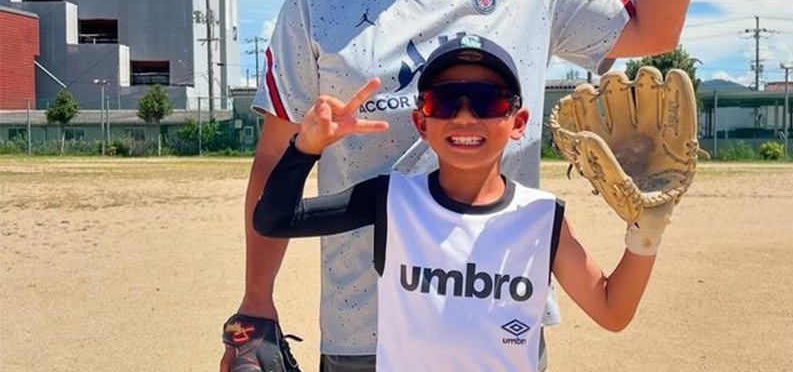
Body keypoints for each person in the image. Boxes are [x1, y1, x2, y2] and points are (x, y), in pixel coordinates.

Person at [222, 0, 718, 372]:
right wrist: (257, 304)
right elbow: (274, 158)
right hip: (364, 327)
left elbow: (653, 30)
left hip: (495, 327)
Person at [252, 35, 670, 372]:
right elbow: (273, 220)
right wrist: (304, 148)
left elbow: (613, 311)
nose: (465, 117)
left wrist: (647, 231)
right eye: (446, 100)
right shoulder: (391, 200)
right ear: (421, 121)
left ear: (518, 122)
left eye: (487, 100)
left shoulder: (542, 217)